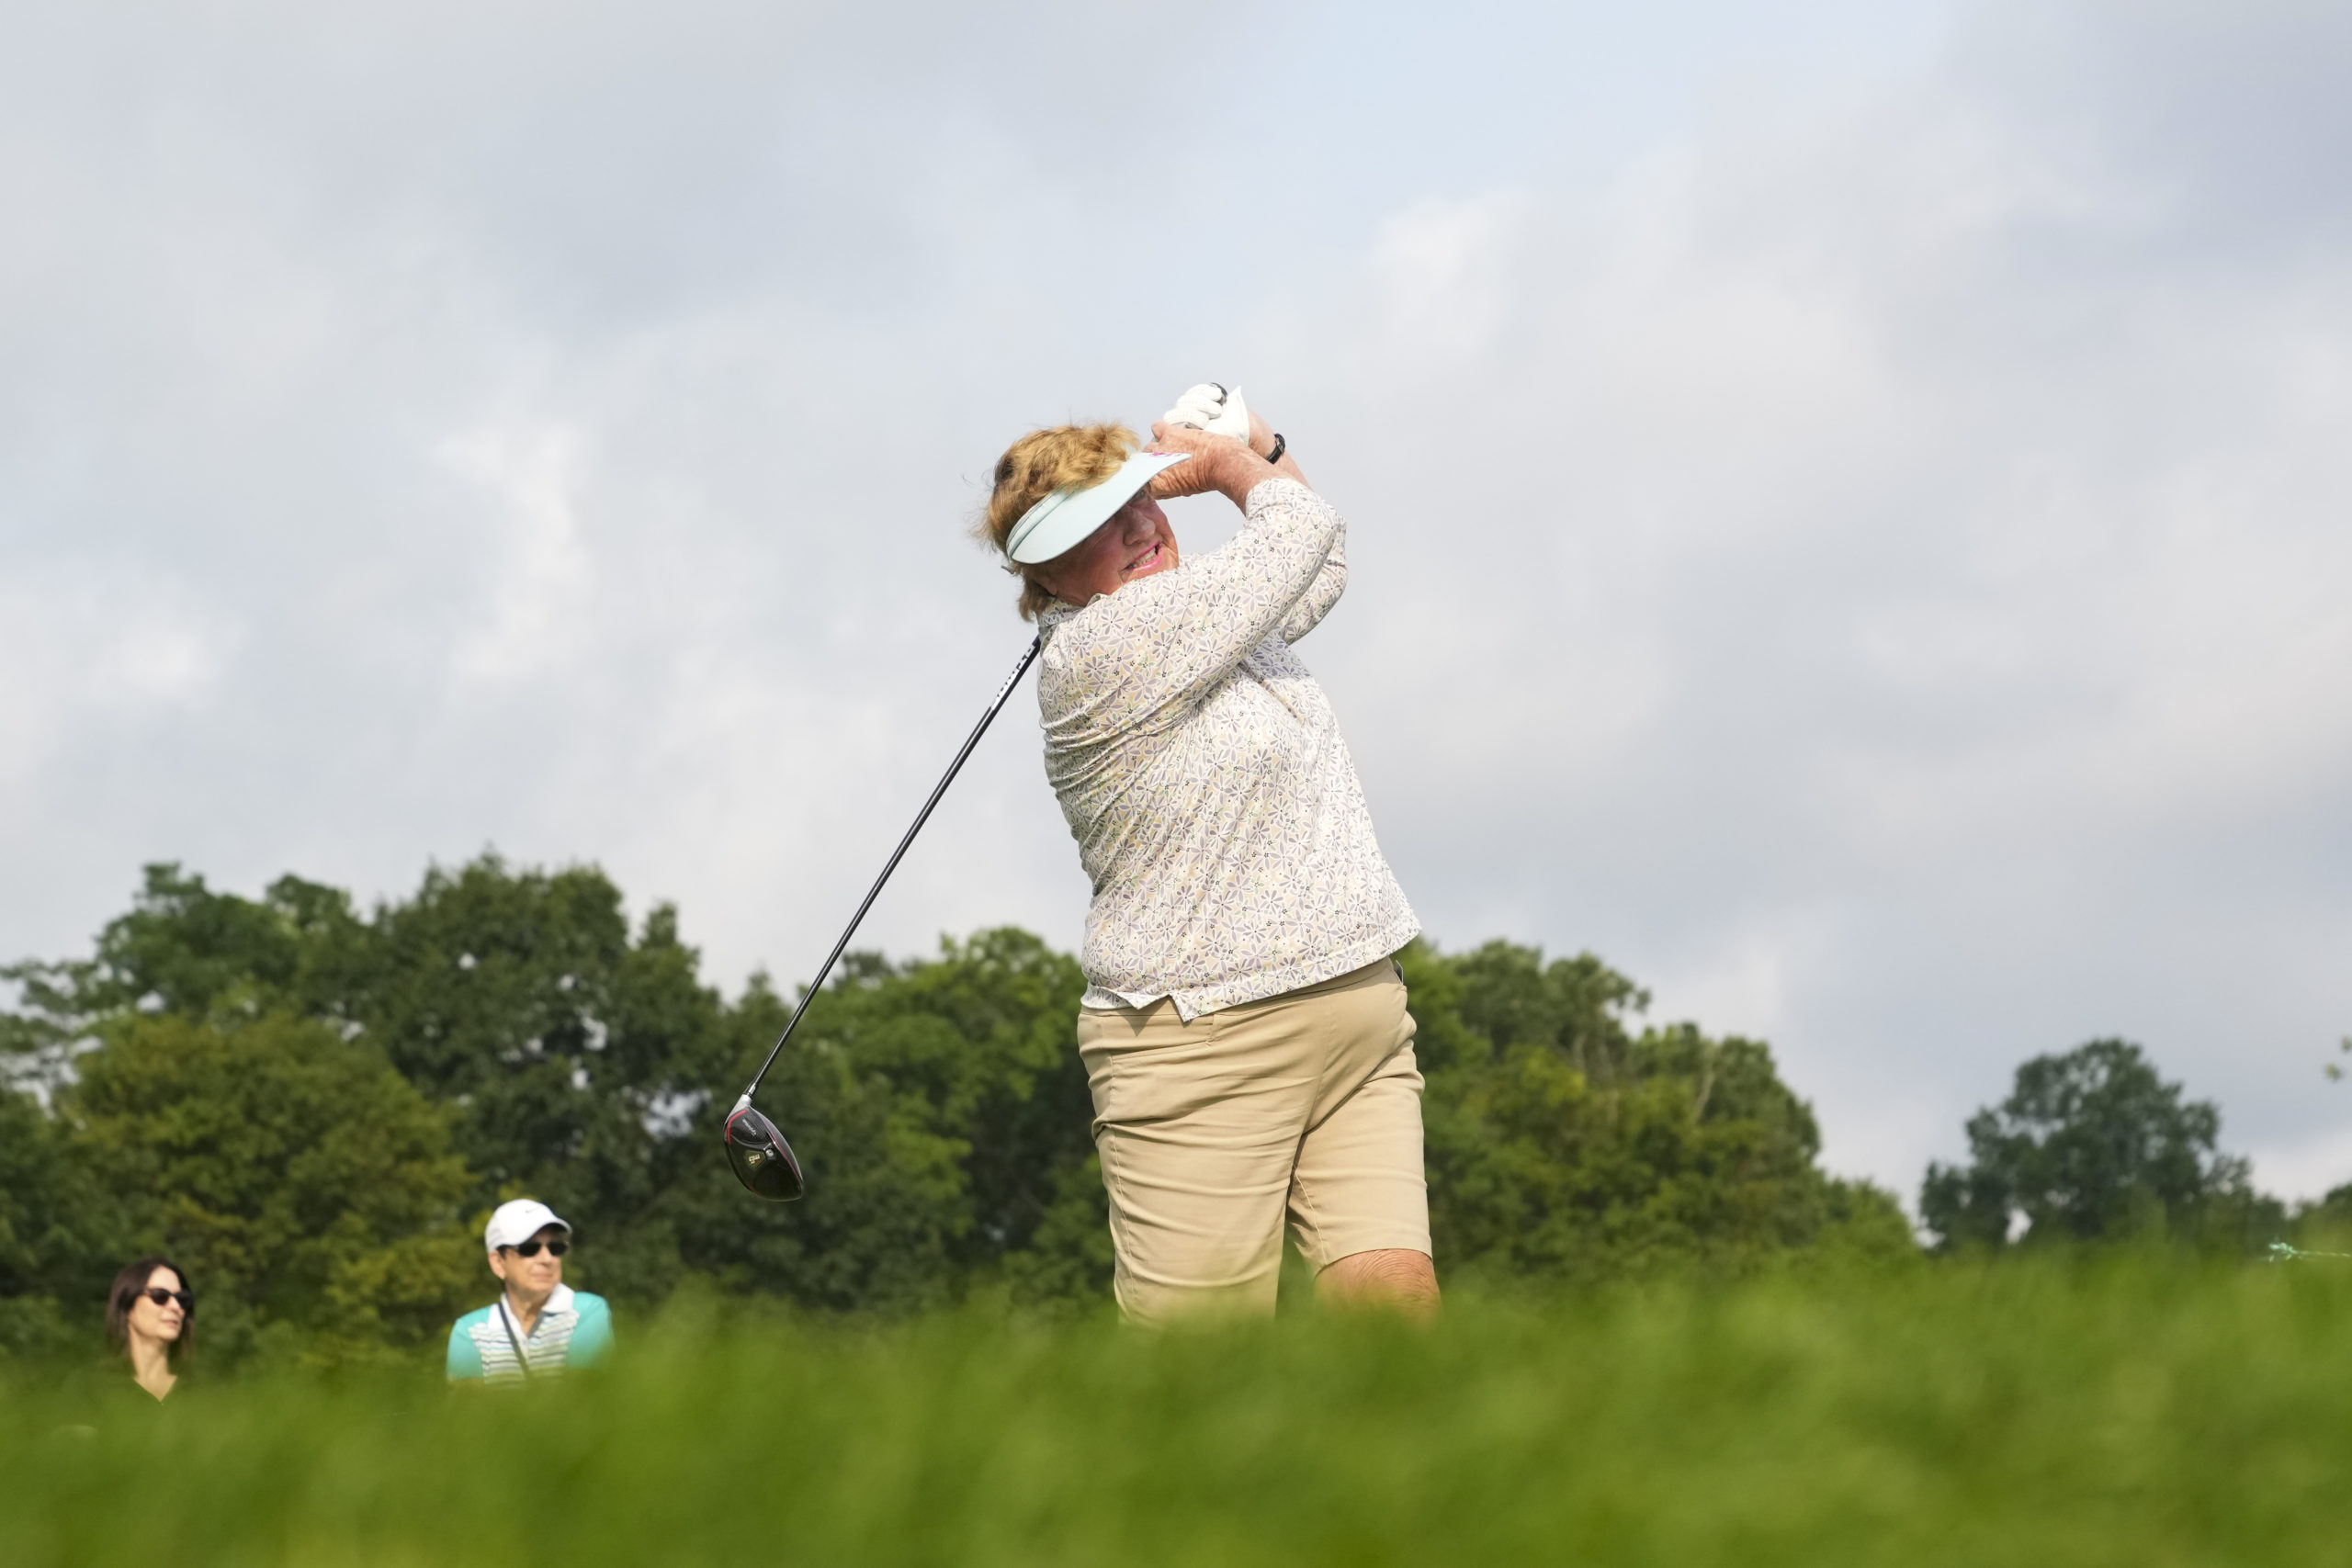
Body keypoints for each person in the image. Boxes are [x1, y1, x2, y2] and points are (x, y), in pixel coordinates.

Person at [979, 386, 1436, 1325]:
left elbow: (1318, 560)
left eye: (1141, 500)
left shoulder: (1197, 617)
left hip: (1354, 1012)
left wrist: (1264, 439)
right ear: (1048, 579)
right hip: (1199, 1048)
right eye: (1094, 531)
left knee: (1399, 1339)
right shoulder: (1106, 646)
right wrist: (1225, 463)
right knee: (1194, 1387)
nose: (1140, 530)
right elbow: (1295, 531)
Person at [447, 1199, 614, 1383]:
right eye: (529, 1249)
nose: (547, 1258)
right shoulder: (469, 1331)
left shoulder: (587, 1310)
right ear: (498, 1263)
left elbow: (581, 1395)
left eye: (555, 1247)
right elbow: (468, 1408)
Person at [107, 1256, 194, 1401]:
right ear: (128, 1306)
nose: (176, 1306)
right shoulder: (89, 1388)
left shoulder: (205, 1392)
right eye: (160, 1296)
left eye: (182, 1299)